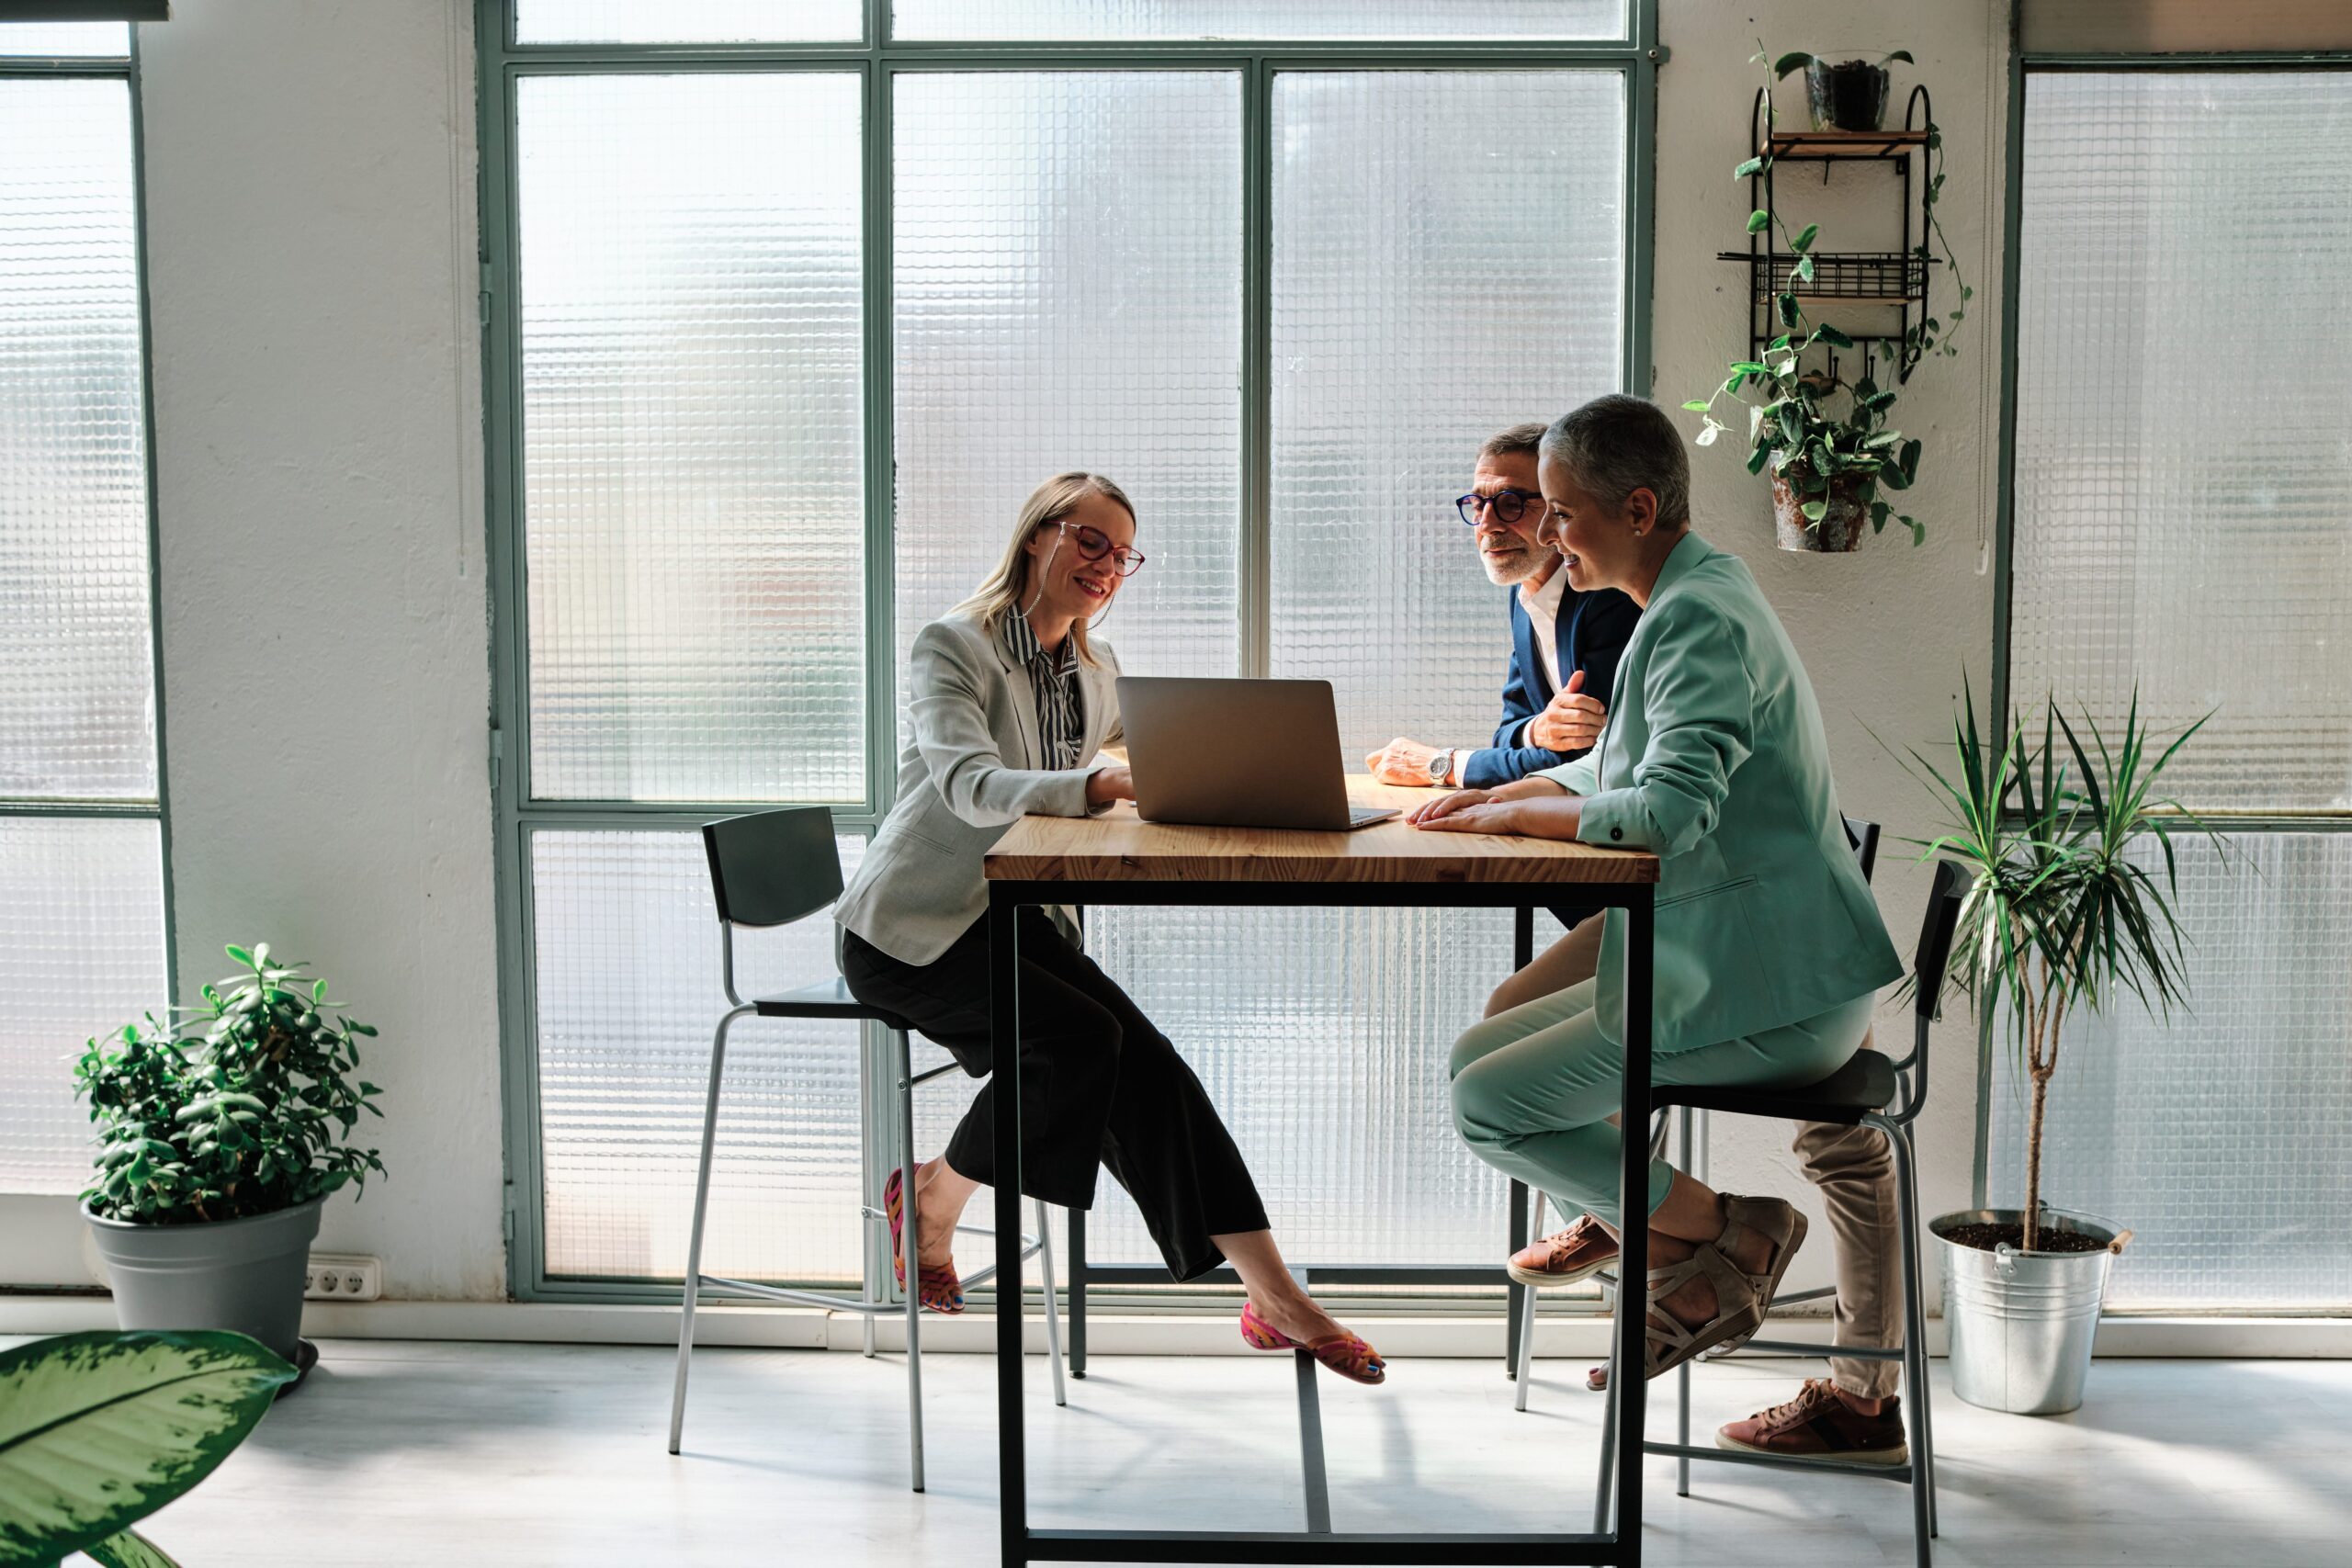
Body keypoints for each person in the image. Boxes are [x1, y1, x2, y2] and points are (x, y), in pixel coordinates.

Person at [834, 471, 1385, 1385]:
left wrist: (1236, 768)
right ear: (1035, 536)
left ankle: (1272, 1293)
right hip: (911, 933)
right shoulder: (953, 647)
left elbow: (1155, 748)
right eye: (1088, 541)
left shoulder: (1097, 669)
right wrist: (1092, 785)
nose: (1105, 566)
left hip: (1014, 920)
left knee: (1147, 1060)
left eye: (1121, 553)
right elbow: (969, 784)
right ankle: (933, 1196)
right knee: (1084, 1043)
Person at [1413, 395, 1903, 1388]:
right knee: (1478, 1052)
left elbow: (1669, 811)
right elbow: (1622, 772)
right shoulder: (1684, 599)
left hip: (1775, 992)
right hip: (1740, 957)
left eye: (1559, 512)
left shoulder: (1696, 621)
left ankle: (1733, 1237)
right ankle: (1675, 1243)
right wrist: (1523, 789)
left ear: (1636, 512)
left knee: (1486, 1108)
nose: (1547, 536)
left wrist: (1512, 814)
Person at [1363, 422, 1640, 793]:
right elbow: (1508, 732)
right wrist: (1537, 729)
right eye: (1478, 504)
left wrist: (1441, 764)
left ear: (1559, 510)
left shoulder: (1609, 598)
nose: (1488, 525)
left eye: (1512, 504)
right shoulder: (1524, 593)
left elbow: (1586, 763)